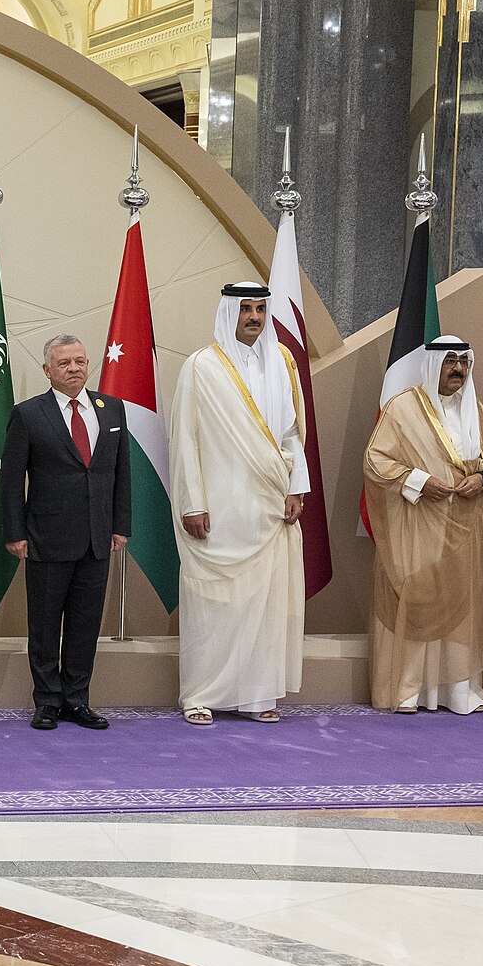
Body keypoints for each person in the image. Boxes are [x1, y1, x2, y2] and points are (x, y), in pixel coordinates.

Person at [169, 282, 310, 725]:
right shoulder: (201, 367)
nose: (254, 316)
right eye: (245, 308)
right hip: (220, 507)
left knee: (266, 602)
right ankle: (200, 693)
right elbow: (185, 439)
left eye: (260, 309)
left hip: (270, 504)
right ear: (228, 311)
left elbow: (291, 435)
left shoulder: (281, 362)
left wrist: (297, 487)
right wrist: (192, 503)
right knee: (213, 602)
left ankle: (257, 694)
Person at [363, 337, 483, 713]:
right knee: (420, 602)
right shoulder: (402, 407)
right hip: (419, 525)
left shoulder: (475, 409)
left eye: (463, 362)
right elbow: (376, 461)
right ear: (432, 365)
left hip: (466, 528)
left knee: (463, 611)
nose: (458, 369)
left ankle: (459, 692)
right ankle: (410, 690)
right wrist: (421, 483)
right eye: (450, 362)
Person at [1, 334, 129, 731]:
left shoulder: (111, 409)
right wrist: (15, 532)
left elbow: (122, 472)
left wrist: (121, 525)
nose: (73, 369)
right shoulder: (28, 414)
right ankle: (47, 702)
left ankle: (77, 700)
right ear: (47, 370)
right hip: (45, 537)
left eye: (79, 361)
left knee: (85, 624)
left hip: (97, 537)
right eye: (63, 363)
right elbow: (10, 481)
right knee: (43, 626)